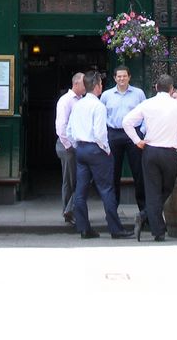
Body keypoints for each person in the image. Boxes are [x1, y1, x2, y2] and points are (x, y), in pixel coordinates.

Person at [122, 74, 177, 242]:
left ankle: (155, 228)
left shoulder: (147, 104)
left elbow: (126, 122)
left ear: (156, 88)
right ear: (171, 89)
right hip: (169, 152)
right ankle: (149, 220)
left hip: (150, 151)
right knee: (167, 187)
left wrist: (137, 141)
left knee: (153, 191)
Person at [66, 70, 132, 240]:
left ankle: (84, 228)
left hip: (81, 149)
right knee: (107, 189)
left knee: (80, 191)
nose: (101, 86)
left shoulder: (78, 105)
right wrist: (107, 150)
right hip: (96, 149)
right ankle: (115, 229)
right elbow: (100, 133)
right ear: (96, 86)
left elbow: (69, 131)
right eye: (101, 84)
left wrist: (77, 145)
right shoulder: (98, 106)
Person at [101, 65, 146, 215]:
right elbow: (101, 116)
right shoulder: (106, 95)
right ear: (114, 78)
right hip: (114, 134)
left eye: (124, 76)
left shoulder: (138, 93)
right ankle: (112, 211)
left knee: (138, 172)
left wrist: (142, 132)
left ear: (129, 77)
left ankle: (144, 211)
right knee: (113, 173)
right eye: (119, 76)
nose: (122, 79)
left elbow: (146, 114)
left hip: (133, 134)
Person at [55, 72, 85, 225]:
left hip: (78, 145)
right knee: (70, 180)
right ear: (76, 84)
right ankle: (68, 211)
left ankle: (70, 209)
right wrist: (70, 146)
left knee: (80, 178)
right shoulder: (66, 100)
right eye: (84, 83)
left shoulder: (82, 100)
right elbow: (61, 126)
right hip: (68, 146)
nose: (87, 86)